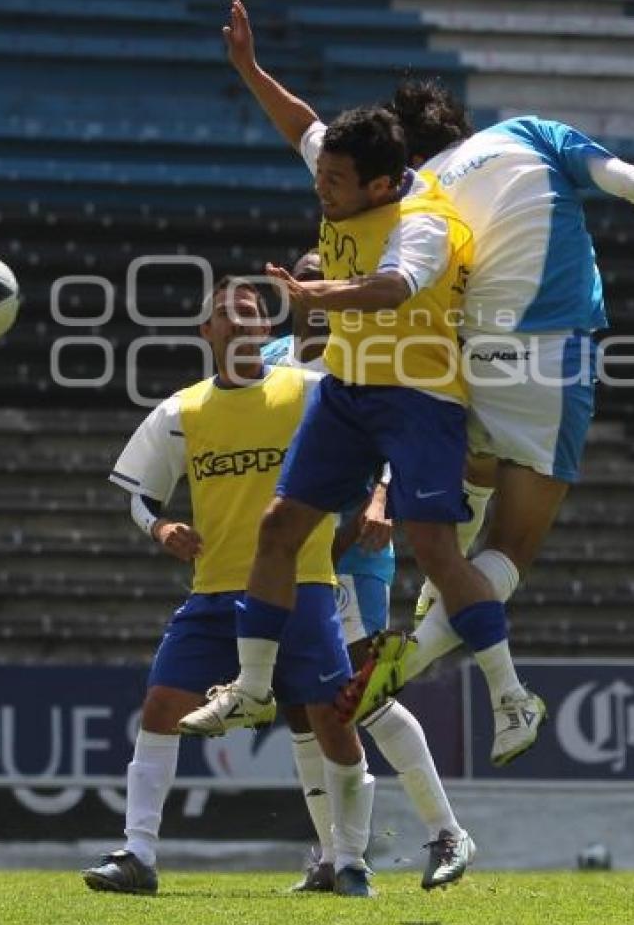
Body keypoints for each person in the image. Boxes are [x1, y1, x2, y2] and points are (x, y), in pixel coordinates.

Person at [219, 0, 634, 729]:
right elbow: (630, 181)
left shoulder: (415, 191)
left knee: (456, 500)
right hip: (547, 359)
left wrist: (248, 66)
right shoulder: (531, 135)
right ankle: (432, 647)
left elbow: (305, 129)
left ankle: (418, 626)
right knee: (511, 543)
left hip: (460, 365)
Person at [180, 79, 544, 768]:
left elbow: (394, 286)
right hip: (348, 391)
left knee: (438, 553)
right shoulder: (344, 167)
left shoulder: (424, 221)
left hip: (420, 397)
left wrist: (317, 291)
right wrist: (250, 68)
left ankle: (511, 694)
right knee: (279, 525)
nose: (323, 190)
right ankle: (253, 687)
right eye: (322, 177)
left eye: (337, 183)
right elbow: (303, 125)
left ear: (381, 185)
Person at [82, 278, 375, 898]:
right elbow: (139, 493)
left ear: (266, 330)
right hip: (216, 592)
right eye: (224, 314)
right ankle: (138, 853)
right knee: (162, 706)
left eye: (249, 312)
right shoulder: (181, 411)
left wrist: (378, 497)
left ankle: (347, 860)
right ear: (207, 334)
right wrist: (160, 525)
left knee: (332, 725)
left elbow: (383, 435)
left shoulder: (310, 391)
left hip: (303, 589)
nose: (239, 320)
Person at [262, 252, 476, 890]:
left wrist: (382, 499)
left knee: (362, 694)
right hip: (295, 545)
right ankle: (332, 855)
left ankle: (447, 831)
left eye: (333, 274)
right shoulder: (273, 359)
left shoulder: (374, 346)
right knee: (304, 705)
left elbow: (394, 431)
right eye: (310, 272)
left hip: (354, 543)